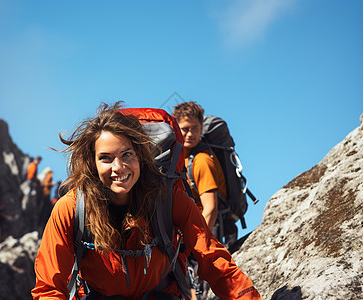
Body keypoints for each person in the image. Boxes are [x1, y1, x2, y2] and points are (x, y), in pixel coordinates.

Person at [31, 102, 261, 299]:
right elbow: (49, 287)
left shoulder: (168, 199)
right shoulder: (71, 208)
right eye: (105, 158)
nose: (118, 167)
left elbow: (214, 261)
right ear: (92, 163)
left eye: (127, 154)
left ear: (141, 156)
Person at [172, 101, 229, 300]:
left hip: (207, 232)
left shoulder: (202, 160)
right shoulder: (181, 159)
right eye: (184, 129)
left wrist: (194, 245)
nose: (189, 134)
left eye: (194, 128)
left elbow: (211, 208)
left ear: (201, 128)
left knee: (202, 292)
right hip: (194, 232)